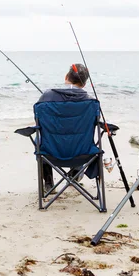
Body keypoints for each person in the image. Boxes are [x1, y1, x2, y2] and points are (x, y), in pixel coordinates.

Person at [37, 63, 92, 191]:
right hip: (81, 153)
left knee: (41, 139)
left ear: (66, 77)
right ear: (84, 84)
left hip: (50, 152)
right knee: (84, 138)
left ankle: (49, 184)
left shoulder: (47, 96)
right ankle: (74, 174)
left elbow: (38, 120)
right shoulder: (90, 101)